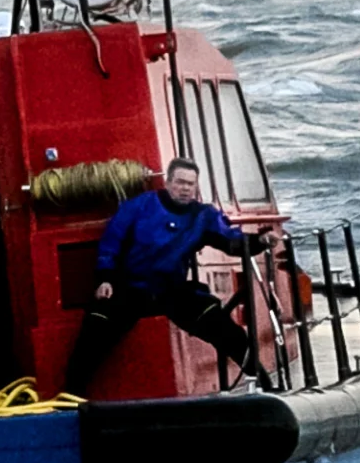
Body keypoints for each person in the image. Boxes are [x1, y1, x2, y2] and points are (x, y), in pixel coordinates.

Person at [64, 157, 279, 393]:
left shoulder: (203, 216)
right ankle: (72, 395)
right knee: (96, 326)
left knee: (220, 324)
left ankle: (262, 381)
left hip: (171, 291)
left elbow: (232, 242)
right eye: (180, 182)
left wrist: (260, 240)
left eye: (191, 184)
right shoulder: (138, 207)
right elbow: (110, 244)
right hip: (130, 288)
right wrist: (105, 279)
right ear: (167, 182)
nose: (185, 188)